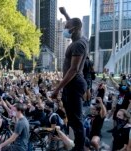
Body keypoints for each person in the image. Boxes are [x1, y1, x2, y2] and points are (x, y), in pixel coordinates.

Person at [52, 7, 88, 151]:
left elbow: (73, 69)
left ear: (74, 29)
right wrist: (66, 14)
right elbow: (73, 23)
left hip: (74, 84)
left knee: (76, 120)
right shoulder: (80, 37)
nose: (65, 30)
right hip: (72, 85)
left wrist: (57, 89)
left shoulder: (78, 45)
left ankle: (79, 148)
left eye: (67, 27)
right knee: (73, 119)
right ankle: (78, 145)